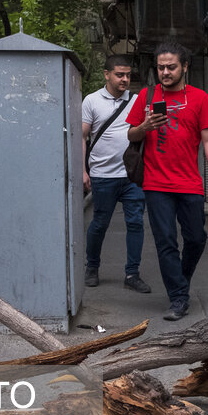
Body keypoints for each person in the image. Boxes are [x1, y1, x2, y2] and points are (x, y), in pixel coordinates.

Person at [126, 40, 208, 320]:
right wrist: (145, 126)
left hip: (189, 183)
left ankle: (180, 278)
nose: (165, 72)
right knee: (165, 241)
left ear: (185, 67)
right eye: (160, 67)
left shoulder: (199, 98)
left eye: (171, 67)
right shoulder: (146, 95)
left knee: (196, 239)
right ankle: (179, 298)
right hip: (156, 184)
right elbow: (130, 135)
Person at [82, 55, 151, 293]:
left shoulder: (137, 100)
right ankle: (91, 267)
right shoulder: (91, 101)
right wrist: (83, 170)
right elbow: (83, 137)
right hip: (102, 174)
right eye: (119, 75)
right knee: (100, 223)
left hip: (132, 174)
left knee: (135, 223)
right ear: (106, 74)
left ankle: (132, 274)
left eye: (128, 75)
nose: (125, 79)